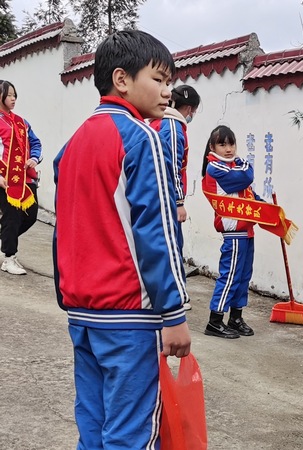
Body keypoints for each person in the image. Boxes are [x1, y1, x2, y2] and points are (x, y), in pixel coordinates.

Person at [52, 30, 191, 449]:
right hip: (130, 315)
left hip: (83, 312)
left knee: (93, 429)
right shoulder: (142, 138)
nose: (168, 91)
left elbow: (67, 227)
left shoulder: (72, 144)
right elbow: (158, 232)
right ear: (122, 79)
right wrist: (175, 313)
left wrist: (68, 295)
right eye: (159, 79)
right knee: (130, 436)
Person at [200, 125, 260, 339]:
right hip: (233, 232)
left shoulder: (234, 166)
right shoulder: (215, 168)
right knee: (230, 277)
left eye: (231, 143)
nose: (228, 149)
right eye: (222, 144)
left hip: (247, 231)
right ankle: (215, 320)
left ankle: (235, 317)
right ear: (212, 146)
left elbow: (250, 193)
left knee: (243, 277)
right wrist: (245, 167)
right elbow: (246, 176)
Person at [150, 85, 201, 310]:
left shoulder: (158, 122)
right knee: (172, 245)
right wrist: (179, 202)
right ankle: (176, 296)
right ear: (188, 108)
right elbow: (171, 167)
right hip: (165, 197)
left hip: (154, 195)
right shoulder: (172, 126)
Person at [0, 80, 43, 275]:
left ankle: (5, 242)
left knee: (31, 215)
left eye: (14, 94)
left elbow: (35, 142)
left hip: (25, 178)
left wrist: (34, 158)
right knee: (12, 217)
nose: (13, 98)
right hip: (5, 178)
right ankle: (9, 258)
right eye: (9, 94)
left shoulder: (21, 122)